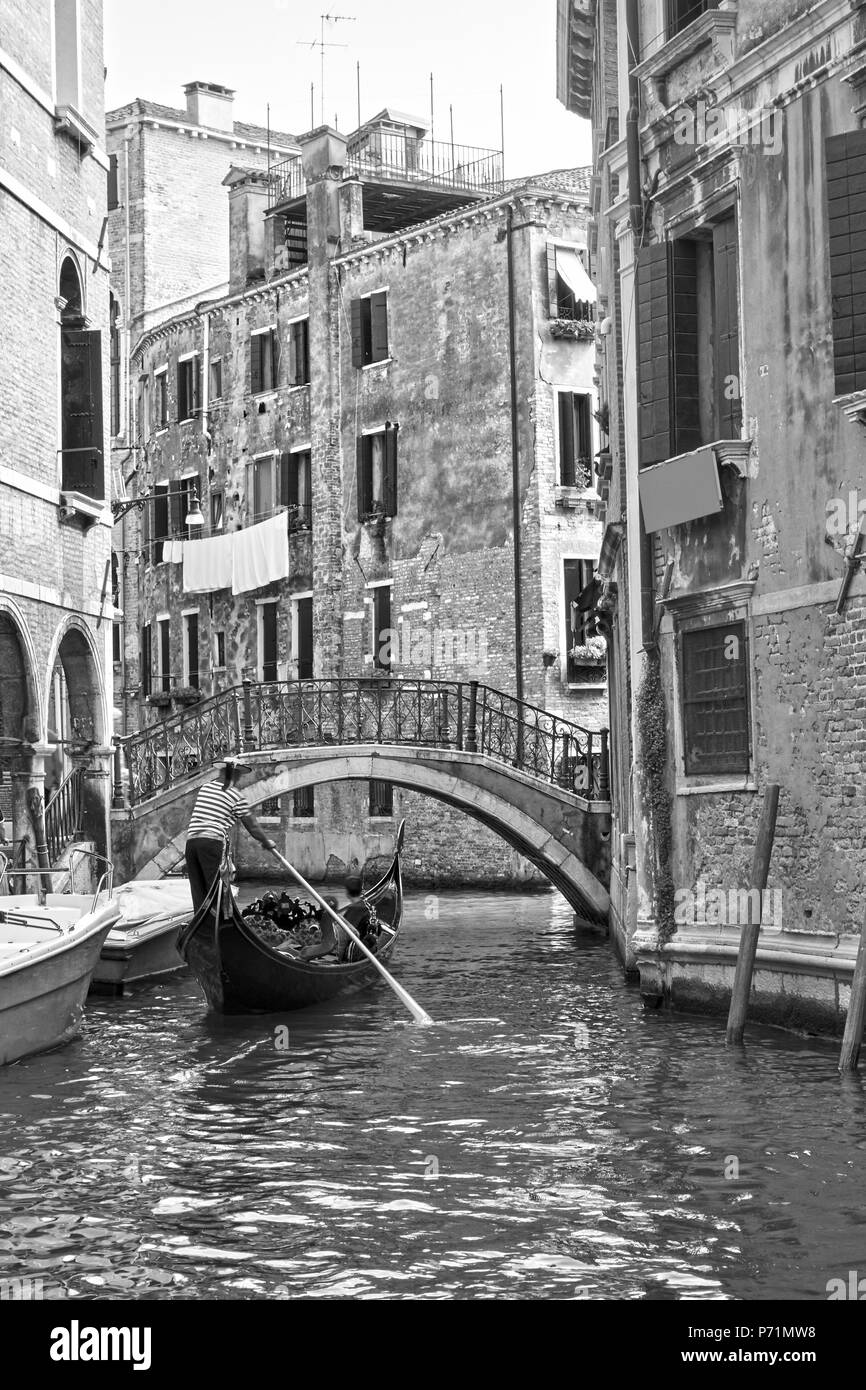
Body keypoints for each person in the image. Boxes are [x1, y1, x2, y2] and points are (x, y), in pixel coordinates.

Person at [185, 756, 276, 915]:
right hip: (211, 843)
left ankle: (203, 925)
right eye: (239, 774)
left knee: (199, 893)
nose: (240, 778)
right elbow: (252, 826)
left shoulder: (205, 788)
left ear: (221, 771)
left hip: (191, 843)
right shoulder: (235, 796)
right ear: (234, 774)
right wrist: (266, 841)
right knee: (216, 890)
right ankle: (221, 923)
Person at [298, 874, 374, 963]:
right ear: (361, 890)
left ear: (347, 892)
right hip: (348, 942)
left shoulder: (355, 909)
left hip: (343, 950)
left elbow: (345, 933)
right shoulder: (362, 906)